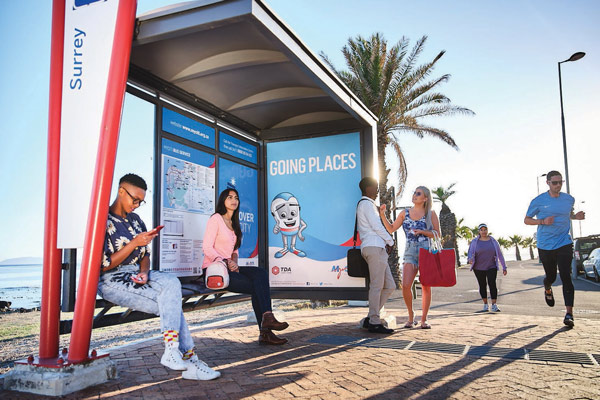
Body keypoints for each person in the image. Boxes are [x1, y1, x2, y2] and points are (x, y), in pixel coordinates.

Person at [99, 174, 220, 381]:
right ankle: (189, 360)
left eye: (140, 201)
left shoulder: (136, 221)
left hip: (137, 273)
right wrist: (134, 243)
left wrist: (144, 272)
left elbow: (145, 255)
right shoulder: (102, 220)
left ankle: (173, 352)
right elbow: (104, 265)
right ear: (121, 191)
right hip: (112, 280)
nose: (137, 205)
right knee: (170, 304)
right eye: (134, 199)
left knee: (171, 282)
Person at [203, 188, 289, 345]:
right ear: (223, 200)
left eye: (236, 197)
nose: (233, 200)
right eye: (229, 197)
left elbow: (234, 251)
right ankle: (265, 331)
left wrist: (234, 261)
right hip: (215, 270)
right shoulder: (216, 219)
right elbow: (207, 247)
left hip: (230, 267)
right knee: (257, 286)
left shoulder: (234, 224)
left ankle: (267, 319)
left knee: (260, 274)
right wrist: (225, 261)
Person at [524, 170, 585, 328]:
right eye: (555, 183)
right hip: (545, 245)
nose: (558, 185)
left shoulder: (569, 199)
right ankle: (547, 287)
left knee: (566, 276)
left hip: (564, 242)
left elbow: (566, 214)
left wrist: (575, 217)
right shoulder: (538, 201)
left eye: (560, 182)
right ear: (548, 183)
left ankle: (569, 314)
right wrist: (543, 221)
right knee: (550, 276)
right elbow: (527, 220)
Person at [380, 186, 440, 329]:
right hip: (410, 251)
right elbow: (391, 229)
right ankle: (411, 315)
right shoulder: (404, 213)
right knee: (406, 285)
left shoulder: (430, 213)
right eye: (414, 193)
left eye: (418, 194)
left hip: (426, 251)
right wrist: (382, 214)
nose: (415, 195)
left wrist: (423, 232)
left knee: (426, 286)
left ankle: (424, 319)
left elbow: (437, 234)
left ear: (425, 198)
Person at [356, 177, 396, 334]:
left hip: (376, 248)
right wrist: (390, 240)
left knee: (390, 285)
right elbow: (376, 226)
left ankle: (371, 317)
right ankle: (374, 321)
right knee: (377, 286)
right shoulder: (366, 204)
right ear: (367, 189)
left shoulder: (367, 204)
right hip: (374, 247)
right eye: (375, 187)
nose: (377, 190)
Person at [467, 223, 507, 312]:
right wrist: (470, 259)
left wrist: (504, 267)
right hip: (478, 267)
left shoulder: (493, 241)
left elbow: (500, 254)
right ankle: (485, 304)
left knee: (492, 283)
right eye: (482, 230)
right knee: (482, 285)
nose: (484, 231)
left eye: (485, 230)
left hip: (491, 266)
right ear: (479, 231)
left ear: (487, 231)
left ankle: (494, 305)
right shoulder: (475, 242)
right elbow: (470, 252)